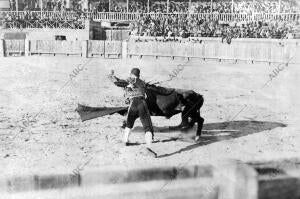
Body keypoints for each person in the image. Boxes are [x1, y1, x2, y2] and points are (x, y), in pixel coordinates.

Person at [109, 68, 157, 158]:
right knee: (147, 127)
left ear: (132, 74)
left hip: (133, 104)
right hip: (142, 104)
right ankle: (148, 148)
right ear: (139, 75)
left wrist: (112, 76)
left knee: (129, 123)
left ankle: (125, 141)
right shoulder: (143, 82)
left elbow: (117, 82)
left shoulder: (130, 80)